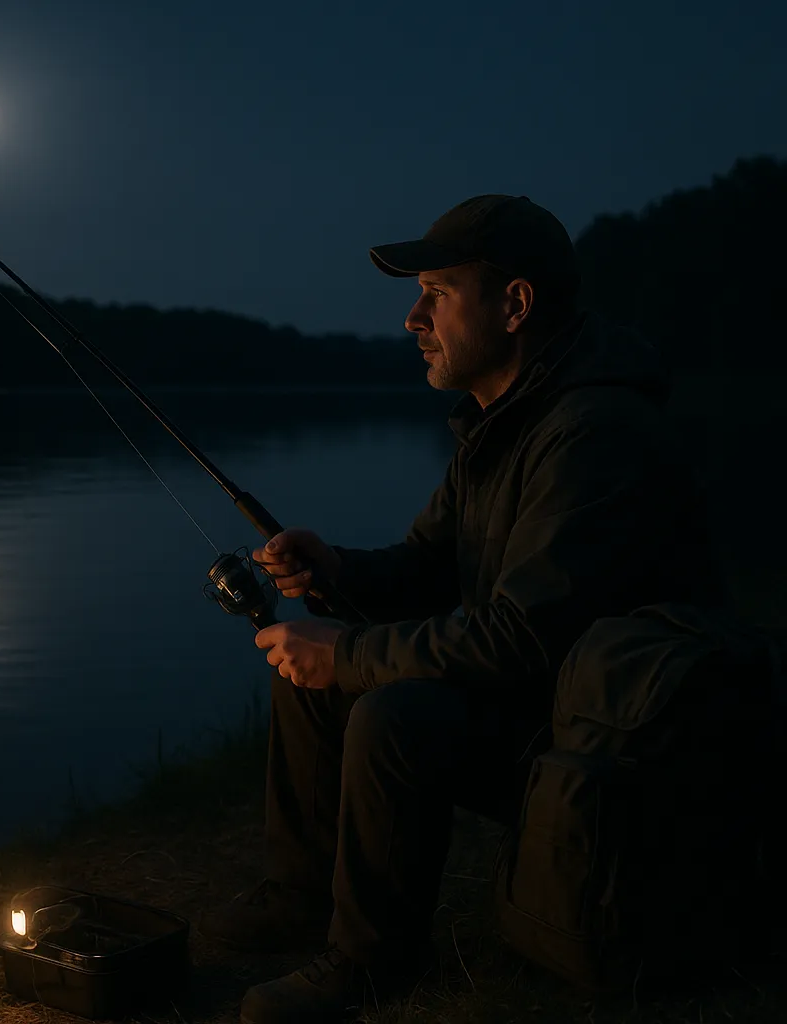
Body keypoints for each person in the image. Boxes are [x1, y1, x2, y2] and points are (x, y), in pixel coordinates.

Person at [198, 194, 728, 1024]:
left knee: (393, 711)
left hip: (611, 747)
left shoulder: (594, 434)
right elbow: (428, 567)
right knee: (314, 663)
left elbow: (521, 637)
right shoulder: (504, 423)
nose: (414, 318)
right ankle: (301, 897)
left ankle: (369, 965)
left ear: (514, 305)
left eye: (437, 294)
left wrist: (349, 655)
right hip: (547, 703)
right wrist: (337, 568)